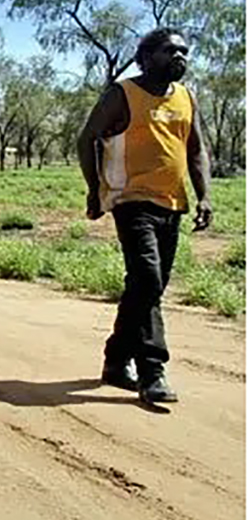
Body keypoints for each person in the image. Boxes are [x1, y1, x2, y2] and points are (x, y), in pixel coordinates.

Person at [76, 28, 212, 404]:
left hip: (173, 202)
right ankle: (152, 371)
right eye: (170, 50)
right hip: (131, 199)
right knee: (148, 278)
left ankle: (116, 359)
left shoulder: (185, 97)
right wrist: (94, 189)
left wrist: (205, 197)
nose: (180, 57)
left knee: (147, 286)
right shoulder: (122, 94)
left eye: (184, 51)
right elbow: (86, 138)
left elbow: (197, 150)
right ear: (146, 57)